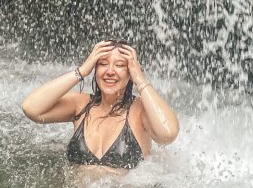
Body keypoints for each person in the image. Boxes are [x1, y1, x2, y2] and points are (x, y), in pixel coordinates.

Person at [21, 40, 180, 171]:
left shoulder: (140, 111)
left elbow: (168, 134)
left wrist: (140, 79)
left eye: (119, 65)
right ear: (95, 69)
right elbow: (31, 108)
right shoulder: (81, 105)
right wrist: (81, 71)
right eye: (103, 64)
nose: (110, 71)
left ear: (130, 72)